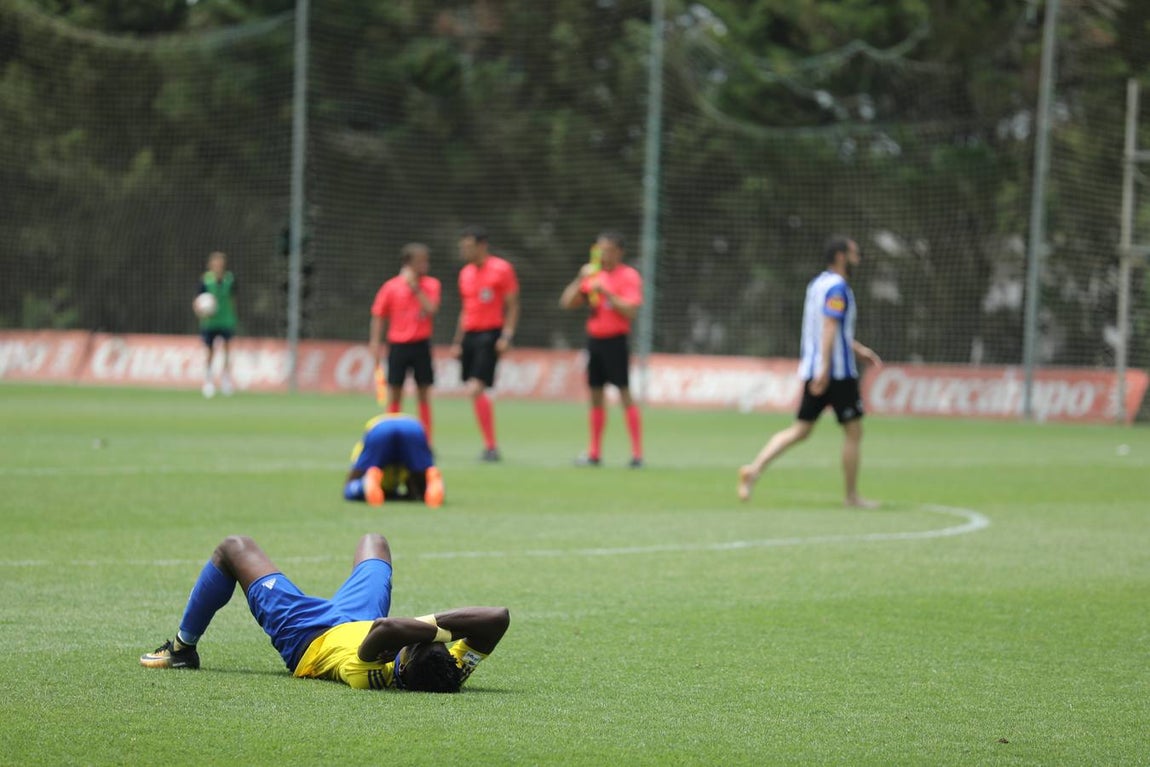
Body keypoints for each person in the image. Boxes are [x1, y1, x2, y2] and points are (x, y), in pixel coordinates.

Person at [140, 533, 510, 693]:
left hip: (308, 637)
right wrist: (431, 639)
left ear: (400, 665)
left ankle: (182, 649)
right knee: (374, 542)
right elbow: (498, 617)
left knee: (233, 548)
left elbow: (385, 629)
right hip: (358, 615)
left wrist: (436, 632)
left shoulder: (373, 675)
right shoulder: (450, 672)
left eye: (410, 648)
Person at [737, 236, 883, 508]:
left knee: (800, 430)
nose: (858, 258)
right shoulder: (838, 288)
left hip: (814, 368)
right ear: (841, 256)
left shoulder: (817, 285)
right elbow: (829, 326)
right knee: (854, 432)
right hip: (835, 373)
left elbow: (830, 330)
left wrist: (857, 348)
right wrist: (826, 368)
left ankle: (754, 470)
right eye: (854, 253)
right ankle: (851, 496)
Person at [559, 232, 644, 468]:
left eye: (608, 250)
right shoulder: (593, 275)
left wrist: (607, 292)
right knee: (596, 396)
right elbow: (566, 303)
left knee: (625, 394)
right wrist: (580, 280)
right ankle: (594, 453)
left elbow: (631, 310)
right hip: (594, 341)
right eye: (599, 250)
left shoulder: (628, 276)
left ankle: (637, 454)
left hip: (616, 341)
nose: (603, 255)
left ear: (619, 252)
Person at [449, 225, 520, 462]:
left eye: (468, 246)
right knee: (475, 389)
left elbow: (512, 305)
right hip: (470, 334)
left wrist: (507, 336)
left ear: (482, 246)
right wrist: (458, 341)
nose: (464, 251)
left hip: (490, 334)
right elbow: (464, 309)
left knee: (476, 388)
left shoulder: (502, 269)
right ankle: (489, 446)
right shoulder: (465, 273)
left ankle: (491, 446)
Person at [368, 243, 441, 442]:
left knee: (424, 392)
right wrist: (375, 343)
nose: (425, 265)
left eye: (426, 260)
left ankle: (426, 441)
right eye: (420, 261)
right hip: (398, 346)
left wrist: (415, 288)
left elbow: (431, 310)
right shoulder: (391, 287)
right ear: (408, 263)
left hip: (421, 345)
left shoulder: (431, 285)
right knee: (394, 393)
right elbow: (379, 314)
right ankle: (391, 439)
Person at [344, 413, 445, 508]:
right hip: (413, 426)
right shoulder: (405, 471)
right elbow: (415, 479)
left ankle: (363, 486)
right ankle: (430, 481)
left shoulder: (378, 467)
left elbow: (356, 472)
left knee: (349, 489)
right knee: (422, 481)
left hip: (381, 428)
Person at [197, 251, 238, 398]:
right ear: (211, 264)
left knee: (227, 350)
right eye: (215, 262)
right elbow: (198, 301)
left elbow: (233, 299)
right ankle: (208, 380)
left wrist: (233, 316)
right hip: (210, 322)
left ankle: (226, 379)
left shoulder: (230, 279)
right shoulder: (205, 280)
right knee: (210, 351)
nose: (218, 265)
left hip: (226, 320)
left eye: (220, 262)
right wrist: (201, 311)